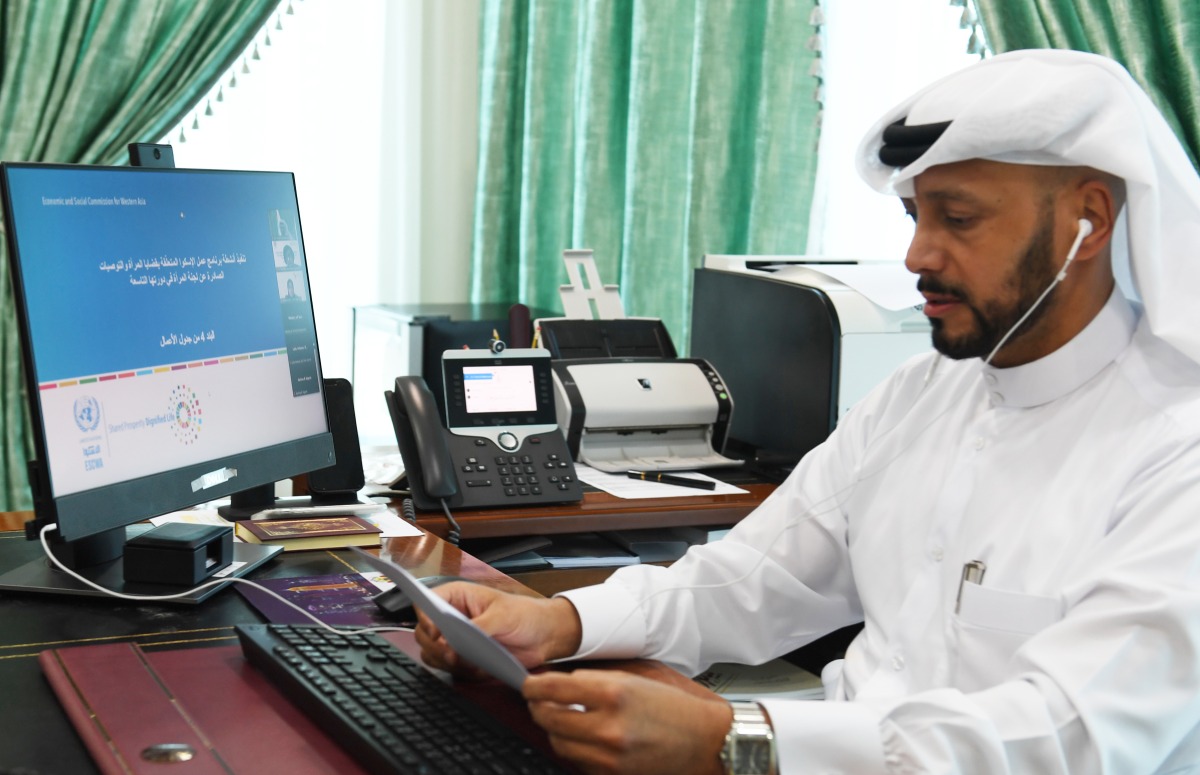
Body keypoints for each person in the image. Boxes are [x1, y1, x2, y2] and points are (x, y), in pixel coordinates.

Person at [416, 49, 1200, 774]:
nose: (918, 256)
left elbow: (1073, 732)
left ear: (1088, 219)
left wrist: (741, 744)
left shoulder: (1179, 445)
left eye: (958, 219)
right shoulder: (921, 394)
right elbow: (757, 575)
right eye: (915, 217)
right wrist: (563, 623)